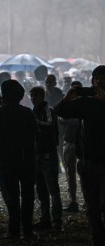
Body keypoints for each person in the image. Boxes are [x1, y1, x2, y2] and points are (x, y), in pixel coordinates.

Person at [54, 65, 105, 245]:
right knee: (92, 206)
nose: (99, 82)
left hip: (97, 160)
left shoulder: (89, 102)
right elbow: (59, 111)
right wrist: (68, 97)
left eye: (103, 79)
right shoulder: (87, 102)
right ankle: (98, 236)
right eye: (97, 79)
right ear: (92, 82)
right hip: (87, 159)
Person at [0, 79, 37, 239]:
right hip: (26, 159)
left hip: (6, 160)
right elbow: (35, 135)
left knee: (12, 197)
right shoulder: (27, 113)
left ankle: (13, 230)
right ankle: (27, 230)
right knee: (28, 196)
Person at [31, 85, 63, 231]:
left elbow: (49, 124)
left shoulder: (46, 110)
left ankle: (56, 221)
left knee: (52, 190)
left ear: (42, 96)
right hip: (38, 154)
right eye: (32, 96)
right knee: (42, 190)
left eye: (35, 96)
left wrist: (34, 123)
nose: (33, 98)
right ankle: (46, 220)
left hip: (47, 154)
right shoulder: (36, 111)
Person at [63, 80, 85, 213]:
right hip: (72, 140)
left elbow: (61, 118)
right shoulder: (70, 104)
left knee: (81, 172)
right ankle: (75, 201)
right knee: (71, 172)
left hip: (78, 141)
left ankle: (77, 201)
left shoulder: (85, 104)